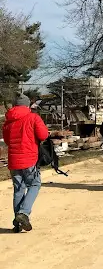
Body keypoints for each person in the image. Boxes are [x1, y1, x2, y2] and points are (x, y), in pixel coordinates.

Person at [3, 94, 49, 233]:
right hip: (29, 159)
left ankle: (17, 224)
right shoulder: (33, 117)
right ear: (27, 105)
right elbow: (43, 135)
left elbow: (7, 141)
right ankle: (23, 213)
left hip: (13, 160)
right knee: (35, 184)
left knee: (18, 189)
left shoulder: (8, 121)